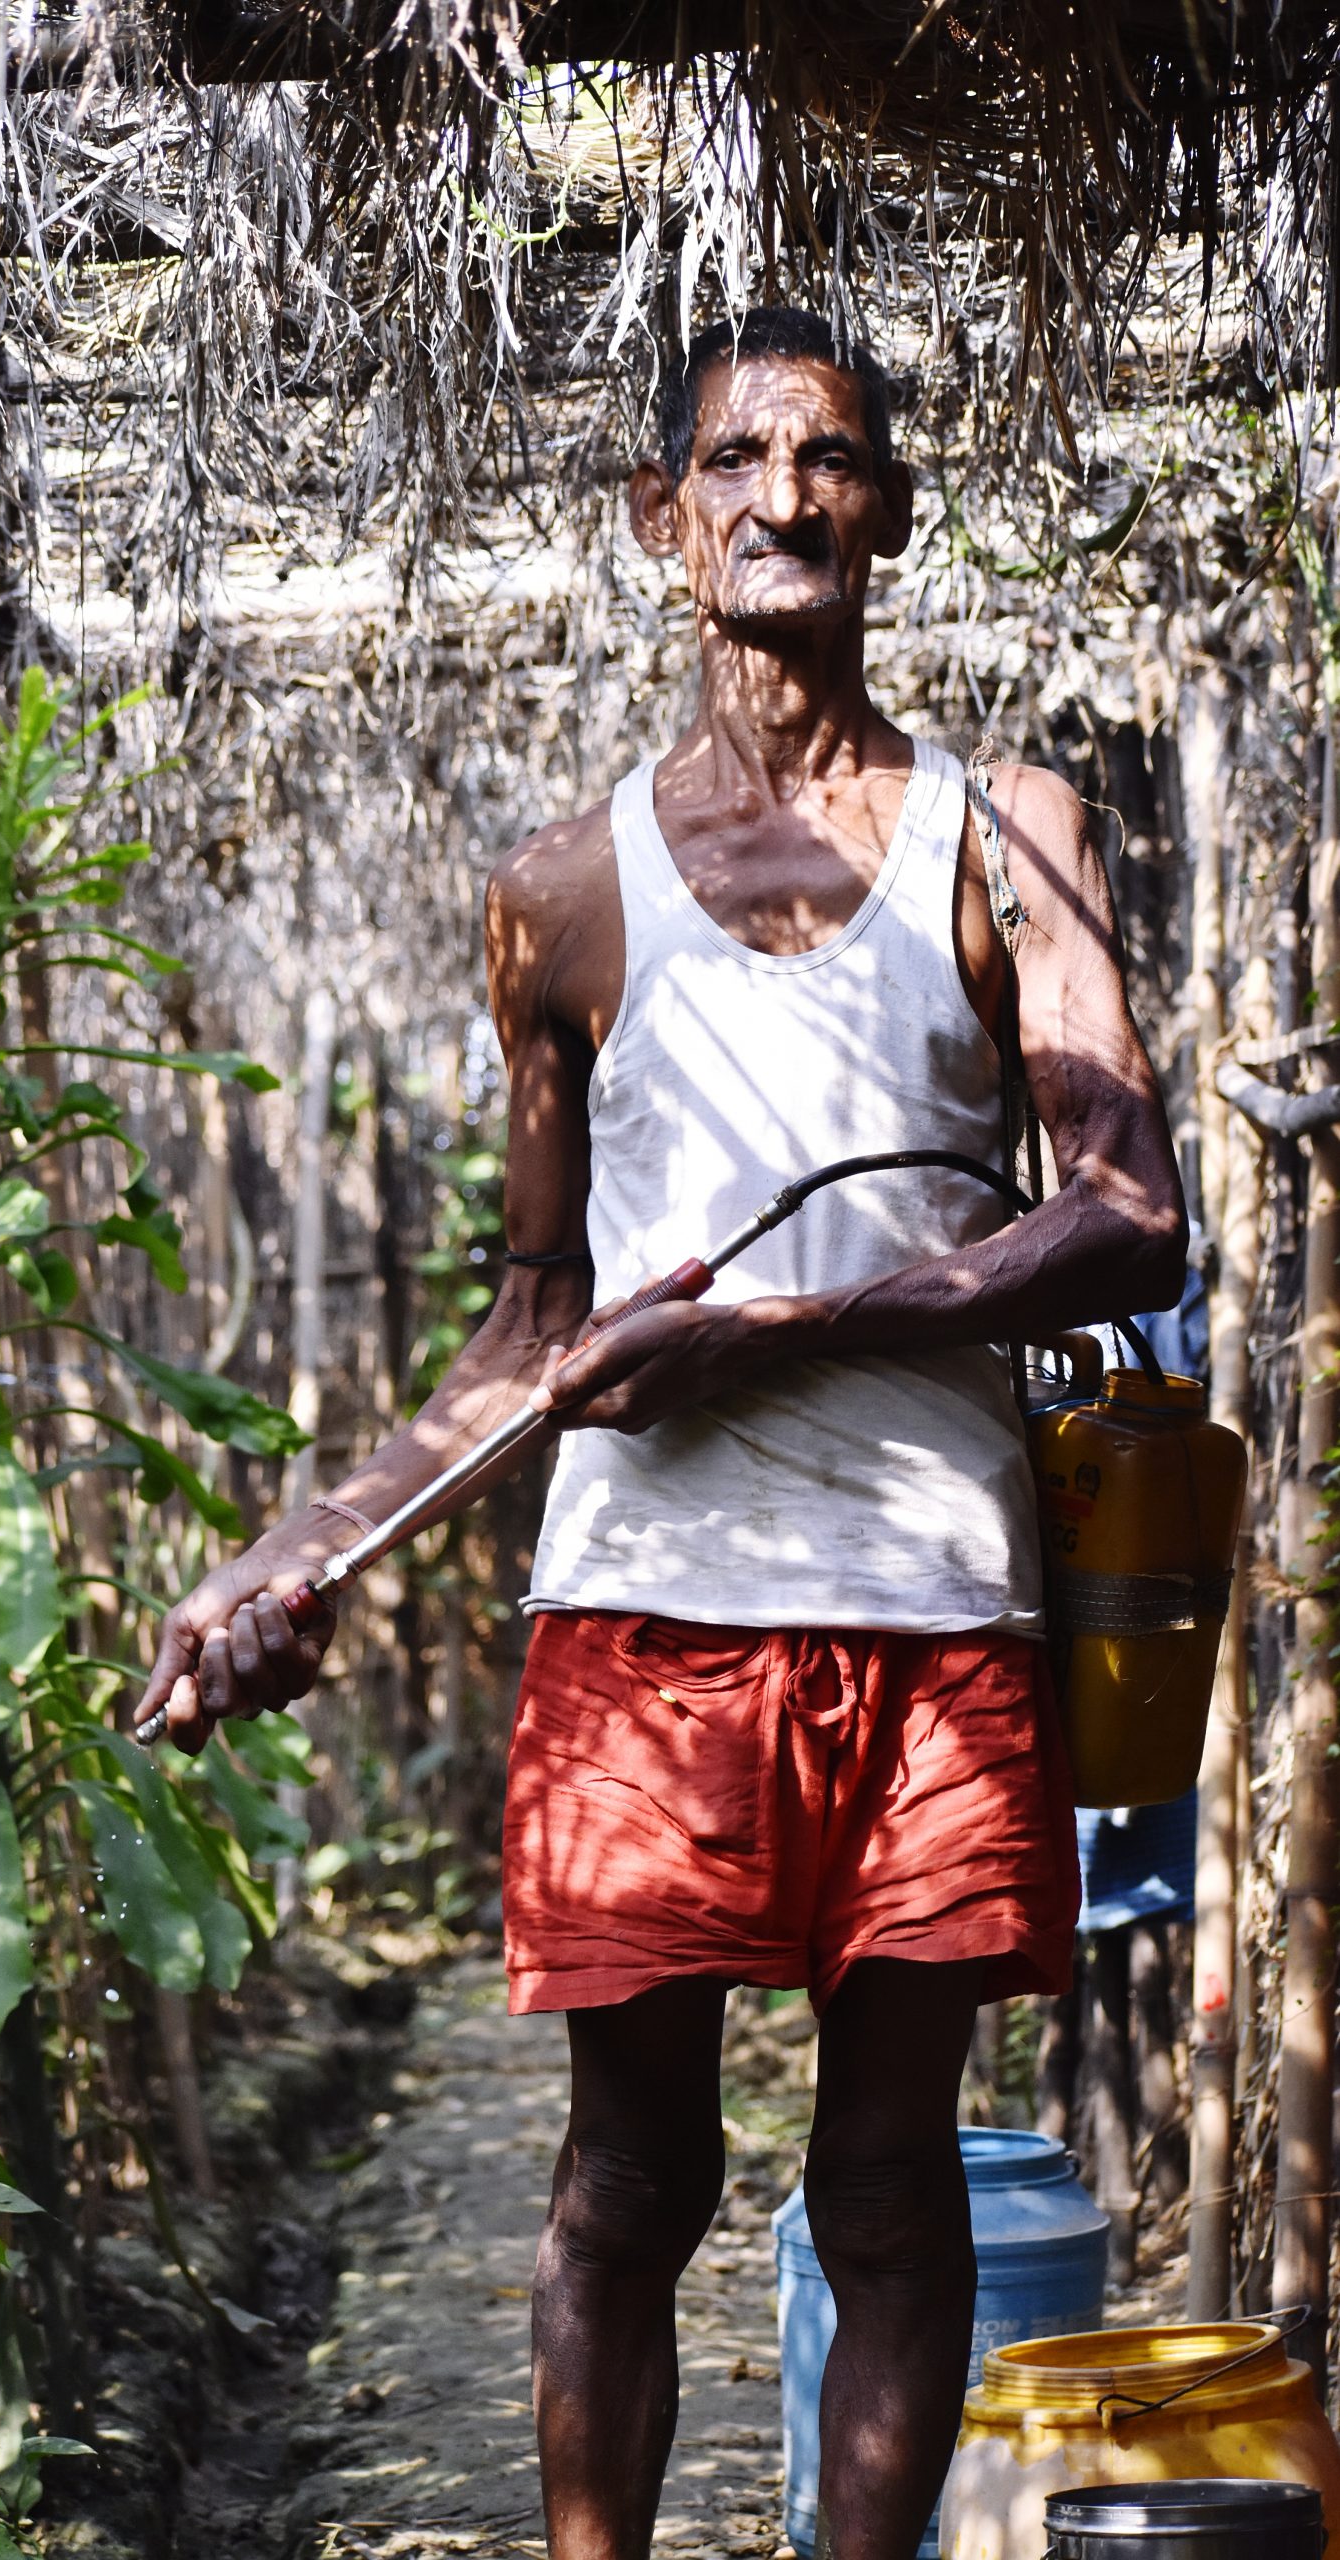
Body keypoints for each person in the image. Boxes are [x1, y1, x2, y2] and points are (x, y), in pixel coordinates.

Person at [131, 306, 1186, 2560]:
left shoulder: (1010, 843)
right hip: (644, 1621)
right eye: (732, 459)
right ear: (659, 518)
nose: (779, 496)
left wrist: (795, 1324)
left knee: (891, 2185)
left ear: (887, 513)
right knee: (628, 2178)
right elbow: (530, 1328)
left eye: (826, 459)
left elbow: (1122, 1212)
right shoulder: (560, 893)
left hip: (935, 1604)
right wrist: (292, 1547)